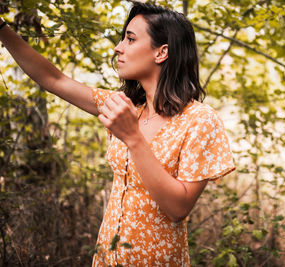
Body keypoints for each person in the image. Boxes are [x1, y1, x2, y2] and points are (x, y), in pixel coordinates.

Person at [0, 1, 235, 266]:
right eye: (123, 38)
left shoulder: (199, 120)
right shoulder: (126, 107)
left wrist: (133, 139)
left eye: (130, 39)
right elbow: (54, 80)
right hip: (107, 259)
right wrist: (2, 29)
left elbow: (178, 208)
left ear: (162, 52)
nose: (118, 47)